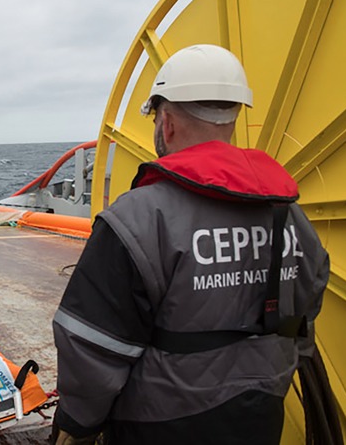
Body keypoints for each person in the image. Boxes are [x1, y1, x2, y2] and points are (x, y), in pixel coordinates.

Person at [51, 45, 330, 445]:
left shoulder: (139, 218)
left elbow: (93, 344)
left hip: (157, 426)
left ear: (165, 123)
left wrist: (77, 425)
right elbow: (306, 309)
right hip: (260, 416)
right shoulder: (289, 215)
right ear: (233, 118)